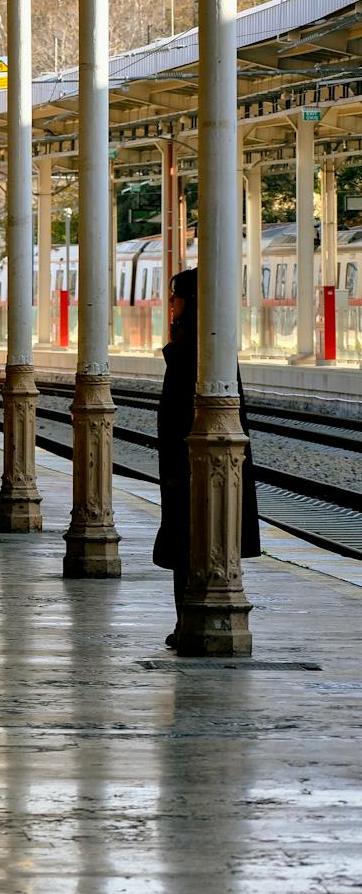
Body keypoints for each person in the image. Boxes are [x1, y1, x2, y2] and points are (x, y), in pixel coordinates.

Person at [155, 268, 260, 648]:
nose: (171, 305)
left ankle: (194, 618)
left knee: (189, 540)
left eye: (175, 297)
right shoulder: (203, 344)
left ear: (192, 301)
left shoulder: (196, 347)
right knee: (186, 540)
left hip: (190, 466)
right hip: (186, 463)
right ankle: (186, 617)